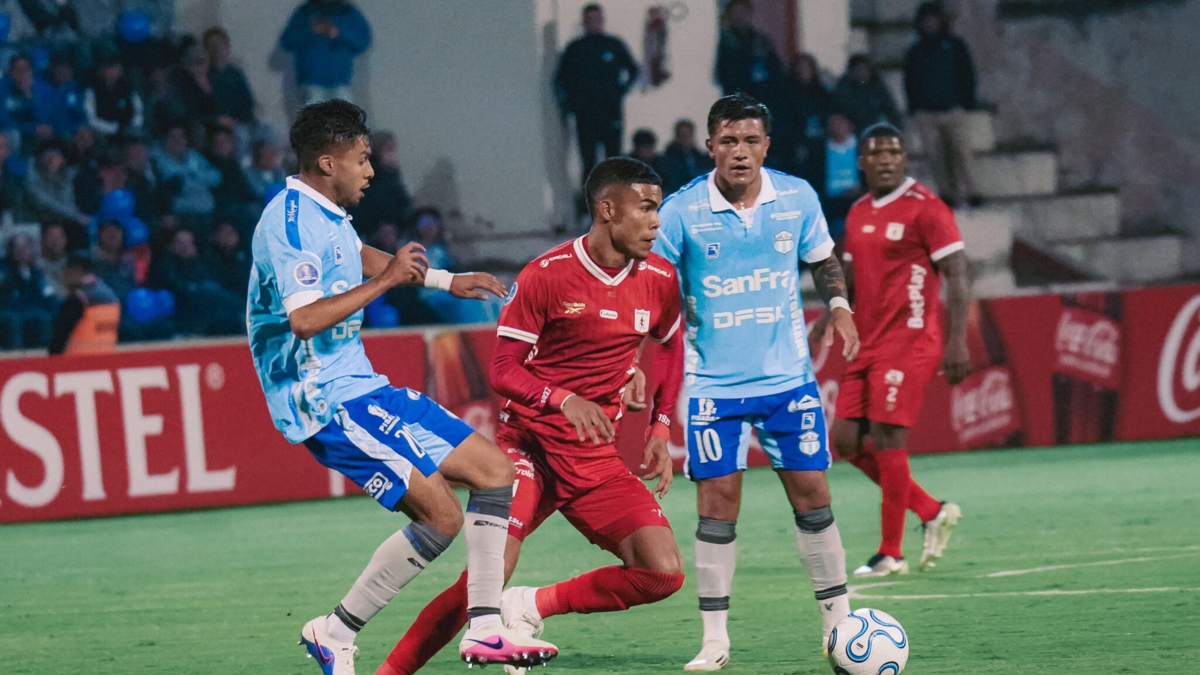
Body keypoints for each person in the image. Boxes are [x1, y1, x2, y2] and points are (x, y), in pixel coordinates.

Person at [246, 99, 556, 674]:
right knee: (441, 518)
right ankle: (336, 631)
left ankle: (485, 630)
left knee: (495, 473)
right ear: (327, 162)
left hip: (361, 384)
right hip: (321, 399)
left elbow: (356, 256)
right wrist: (390, 280)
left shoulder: (326, 213)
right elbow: (305, 320)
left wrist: (442, 279)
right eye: (362, 159)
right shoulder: (288, 222)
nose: (371, 170)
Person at [379, 157, 686, 675]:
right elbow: (502, 369)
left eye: (658, 209)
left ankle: (530, 604)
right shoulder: (547, 275)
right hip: (529, 451)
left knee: (662, 573)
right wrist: (563, 399)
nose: (657, 222)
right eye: (646, 208)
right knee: (482, 582)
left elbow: (672, 344)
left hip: (595, 459)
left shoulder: (659, 277)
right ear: (607, 210)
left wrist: (660, 424)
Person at [652, 94, 860, 671]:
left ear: (766, 146)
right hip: (713, 386)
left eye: (750, 140)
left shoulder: (797, 197)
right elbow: (653, 284)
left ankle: (838, 626)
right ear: (710, 146)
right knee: (717, 506)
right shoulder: (681, 211)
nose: (739, 152)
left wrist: (839, 306)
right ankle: (715, 639)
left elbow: (824, 259)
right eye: (728, 141)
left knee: (813, 496)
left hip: (787, 380)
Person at [819, 123, 967, 576]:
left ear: (904, 159)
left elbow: (958, 273)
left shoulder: (927, 208)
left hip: (910, 339)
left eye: (894, 152)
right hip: (867, 340)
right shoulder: (858, 211)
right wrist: (827, 320)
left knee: (888, 437)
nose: (886, 160)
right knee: (844, 441)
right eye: (877, 153)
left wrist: (958, 338)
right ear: (861, 162)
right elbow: (849, 278)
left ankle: (890, 553)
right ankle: (931, 510)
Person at [904, 1, 980, 207]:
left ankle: (973, 192)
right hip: (927, 113)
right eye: (926, 20)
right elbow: (910, 81)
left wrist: (966, 102)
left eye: (934, 19)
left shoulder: (955, 46)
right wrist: (915, 108)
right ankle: (947, 194)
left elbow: (967, 75)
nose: (930, 23)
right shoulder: (915, 51)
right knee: (935, 157)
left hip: (952, 109)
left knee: (961, 153)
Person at [554, 3, 638, 184]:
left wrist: (619, 92)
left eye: (596, 19)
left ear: (602, 20)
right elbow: (561, 79)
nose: (593, 23)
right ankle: (590, 199)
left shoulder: (613, 45)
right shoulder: (575, 48)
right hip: (585, 114)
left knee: (614, 159)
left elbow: (632, 70)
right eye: (589, 20)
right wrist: (570, 105)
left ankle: (616, 198)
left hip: (610, 111)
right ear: (583, 22)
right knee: (588, 160)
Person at [280, 0, 372, 105]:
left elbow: (363, 41)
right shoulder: (305, 12)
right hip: (311, 82)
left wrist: (339, 33)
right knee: (313, 113)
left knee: (343, 113)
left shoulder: (347, 12)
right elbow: (287, 41)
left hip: (340, 81)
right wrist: (310, 31)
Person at [48, 255, 120, 355]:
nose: (64, 276)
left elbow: (59, 340)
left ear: (76, 271)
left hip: (77, 360)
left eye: (66, 271)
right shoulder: (112, 296)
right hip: (106, 358)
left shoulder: (79, 299)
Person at [151, 122, 221, 223]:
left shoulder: (193, 156)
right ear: (165, 139)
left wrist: (195, 175)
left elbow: (216, 177)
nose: (178, 141)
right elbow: (178, 186)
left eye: (181, 137)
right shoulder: (157, 160)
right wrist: (197, 178)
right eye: (173, 137)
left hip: (207, 208)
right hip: (182, 212)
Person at [0, 232, 57, 349]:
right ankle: (16, 356)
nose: (22, 250)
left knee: (45, 317)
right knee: (14, 320)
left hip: (31, 308)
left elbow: (46, 293)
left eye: (26, 246)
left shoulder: (36, 272)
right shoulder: (4, 270)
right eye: (17, 247)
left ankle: (46, 354)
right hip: (8, 307)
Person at [833, 54, 903, 137]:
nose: (862, 72)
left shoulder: (877, 86)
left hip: (876, 130)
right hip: (854, 135)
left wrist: (898, 127)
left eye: (865, 69)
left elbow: (890, 109)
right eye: (859, 69)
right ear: (852, 71)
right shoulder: (843, 92)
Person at [203, 27, 256, 128]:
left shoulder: (235, 74)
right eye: (212, 45)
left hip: (241, 124)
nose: (217, 49)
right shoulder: (205, 75)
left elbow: (248, 103)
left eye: (219, 44)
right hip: (217, 126)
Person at [83, 52, 144, 138]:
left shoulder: (129, 89)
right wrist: (113, 129)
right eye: (110, 68)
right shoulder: (92, 91)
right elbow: (91, 118)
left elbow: (138, 112)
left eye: (117, 67)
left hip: (128, 134)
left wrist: (132, 127)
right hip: (102, 135)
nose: (115, 71)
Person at [657, 118, 714, 196]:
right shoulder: (668, 159)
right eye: (683, 135)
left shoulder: (699, 157)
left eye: (688, 135)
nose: (686, 138)